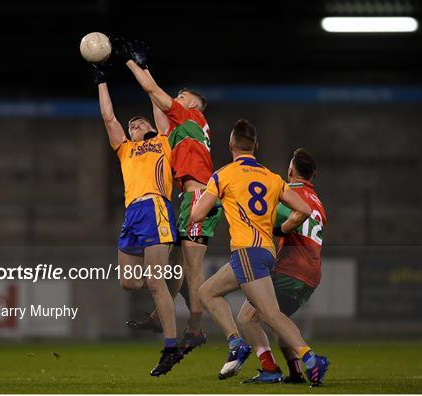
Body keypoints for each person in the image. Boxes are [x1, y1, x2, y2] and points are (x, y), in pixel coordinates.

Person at [191, 119, 330, 387]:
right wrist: (284, 228)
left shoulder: (223, 175)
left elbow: (196, 215)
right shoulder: (272, 177)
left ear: (231, 145)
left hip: (246, 251)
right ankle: (262, 361)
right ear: (256, 146)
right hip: (266, 253)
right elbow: (303, 210)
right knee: (207, 292)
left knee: (270, 314)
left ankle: (311, 358)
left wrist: (207, 203)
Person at [116, 40, 222, 354]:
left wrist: (132, 63)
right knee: (176, 265)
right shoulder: (183, 128)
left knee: (191, 268)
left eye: (182, 95)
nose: (177, 97)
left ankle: (195, 329)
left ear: (193, 103)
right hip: (190, 198)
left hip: (199, 196)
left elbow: (154, 90)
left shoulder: (190, 116)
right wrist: (147, 73)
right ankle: (157, 317)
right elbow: (158, 108)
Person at [92, 64, 182, 376]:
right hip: (132, 214)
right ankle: (171, 289)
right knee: (129, 282)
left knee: (155, 282)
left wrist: (142, 68)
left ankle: (171, 347)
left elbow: (158, 105)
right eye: (131, 126)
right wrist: (102, 81)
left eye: (139, 122)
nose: (134, 126)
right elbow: (108, 118)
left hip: (156, 208)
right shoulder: (126, 150)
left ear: (150, 126)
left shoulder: (163, 142)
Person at [236, 148, 327, 384]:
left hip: (291, 268)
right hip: (312, 273)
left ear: (291, 170)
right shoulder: (317, 201)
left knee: (247, 317)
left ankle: (307, 360)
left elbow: (267, 215)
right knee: (277, 318)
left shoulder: (289, 193)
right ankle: (296, 370)